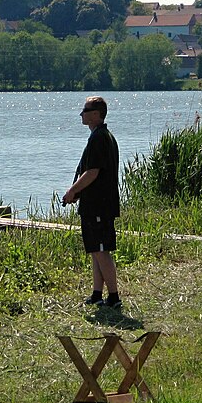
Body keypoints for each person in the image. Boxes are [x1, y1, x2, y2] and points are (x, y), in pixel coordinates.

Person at [61, 96, 122, 308]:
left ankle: (113, 296)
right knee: (95, 250)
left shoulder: (100, 138)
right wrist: (78, 194)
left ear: (96, 114)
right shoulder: (100, 136)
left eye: (86, 110)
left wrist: (72, 190)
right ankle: (97, 293)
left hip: (99, 204)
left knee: (102, 250)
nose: (82, 114)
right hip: (93, 203)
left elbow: (92, 172)